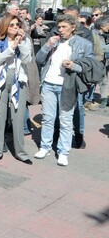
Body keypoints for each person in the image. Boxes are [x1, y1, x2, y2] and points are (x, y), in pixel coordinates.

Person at [35, 14, 95, 166]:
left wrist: (73, 66)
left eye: (64, 27)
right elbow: (39, 60)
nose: (60, 30)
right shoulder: (53, 41)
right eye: (59, 27)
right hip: (48, 83)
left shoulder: (84, 44)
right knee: (48, 118)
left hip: (67, 86)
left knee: (65, 120)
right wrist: (47, 45)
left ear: (73, 27)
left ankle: (63, 152)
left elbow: (90, 66)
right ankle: (45, 147)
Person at [0, 15, 33, 165]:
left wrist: (22, 42)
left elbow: (27, 60)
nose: (15, 27)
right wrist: (12, 47)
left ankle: (21, 152)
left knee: (18, 117)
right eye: (11, 24)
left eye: (17, 24)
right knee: (0, 116)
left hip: (18, 80)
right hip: (1, 80)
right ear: (5, 26)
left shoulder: (25, 40)